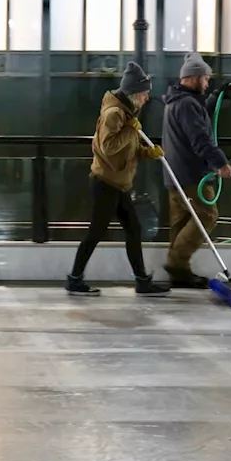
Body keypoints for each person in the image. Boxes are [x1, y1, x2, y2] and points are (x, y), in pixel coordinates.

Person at [65, 62, 171, 297]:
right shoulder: (114, 114)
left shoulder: (126, 114)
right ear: (134, 94)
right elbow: (108, 147)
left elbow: (127, 149)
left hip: (117, 183)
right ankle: (74, 278)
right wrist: (130, 130)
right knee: (96, 232)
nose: (146, 99)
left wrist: (147, 153)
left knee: (133, 229)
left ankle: (142, 280)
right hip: (106, 184)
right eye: (144, 94)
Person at [161, 53, 231, 288]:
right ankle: (175, 263)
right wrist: (221, 164)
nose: (208, 82)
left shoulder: (177, 102)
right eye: (205, 78)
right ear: (192, 78)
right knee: (206, 216)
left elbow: (196, 122)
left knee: (181, 223)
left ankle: (179, 275)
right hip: (191, 175)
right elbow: (200, 139)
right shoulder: (187, 105)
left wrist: (213, 98)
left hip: (175, 174)